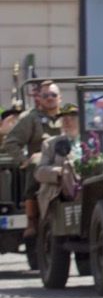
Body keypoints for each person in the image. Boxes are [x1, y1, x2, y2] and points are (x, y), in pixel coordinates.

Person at [3, 80, 62, 238]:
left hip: (67, 158)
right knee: (35, 164)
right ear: (39, 99)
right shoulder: (31, 118)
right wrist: (23, 159)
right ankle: (32, 220)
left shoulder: (68, 115)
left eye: (53, 95)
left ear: (60, 98)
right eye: (45, 95)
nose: (50, 98)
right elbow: (11, 142)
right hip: (42, 161)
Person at [34, 103, 81, 223]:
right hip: (60, 193)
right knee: (67, 169)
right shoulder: (50, 144)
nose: (68, 122)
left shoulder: (92, 141)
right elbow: (39, 173)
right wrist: (59, 172)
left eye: (72, 118)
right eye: (64, 118)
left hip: (89, 188)